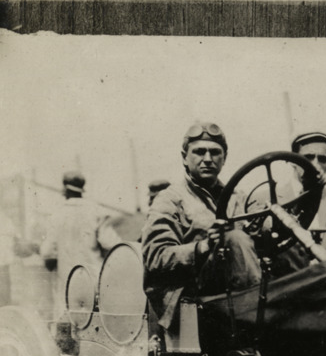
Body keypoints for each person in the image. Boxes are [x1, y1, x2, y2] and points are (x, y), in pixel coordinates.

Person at [141, 122, 262, 321]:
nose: (207, 159)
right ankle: (256, 322)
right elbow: (156, 257)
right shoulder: (169, 199)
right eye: (199, 152)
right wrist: (204, 246)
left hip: (234, 287)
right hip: (189, 295)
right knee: (234, 239)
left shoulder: (239, 198)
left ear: (224, 158)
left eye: (215, 152)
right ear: (184, 158)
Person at [40, 170, 122, 315]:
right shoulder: (96, 211)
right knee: (96, 323)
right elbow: (112, 245)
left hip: (67, 285)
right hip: (94, 282)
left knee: (68, 323)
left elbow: (47, 253)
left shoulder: (56, 214)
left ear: (65, 189)